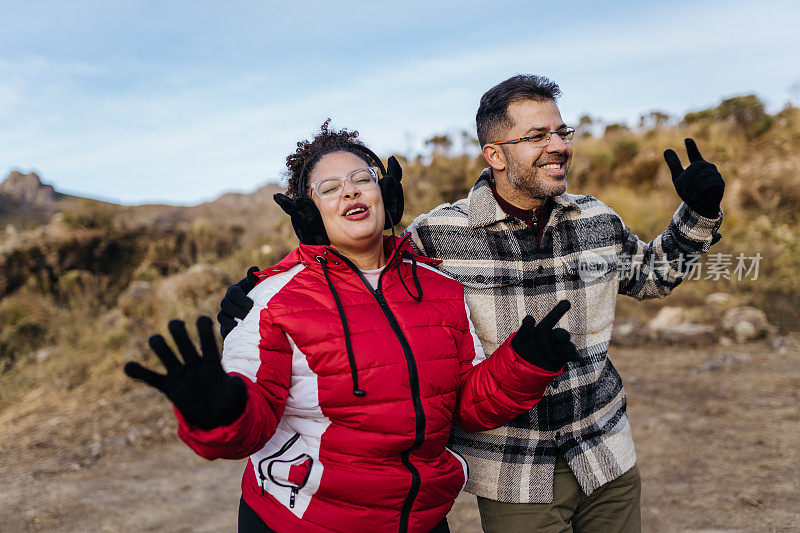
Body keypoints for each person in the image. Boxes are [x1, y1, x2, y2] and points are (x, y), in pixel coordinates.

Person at [220, 76, 725, 532]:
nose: (558, 146)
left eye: (561, 132)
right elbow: (361, 263)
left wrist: (698, 215)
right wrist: (265, 285)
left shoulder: (596, 218)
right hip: (513, 469)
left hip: (606, 449)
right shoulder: (438, 235)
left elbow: (654, 275)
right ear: (495, 154)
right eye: (537, 137)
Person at [125, 120, 582, 533]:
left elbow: (461, 406)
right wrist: (219, 412)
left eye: (362, 179)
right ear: (307, 215)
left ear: (387, 194)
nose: (350, 192)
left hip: (421, 521)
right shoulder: (272, 299)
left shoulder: (441, 288)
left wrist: (522, 366)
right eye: (328, 188)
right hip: (304, 522)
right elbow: (253, 423)